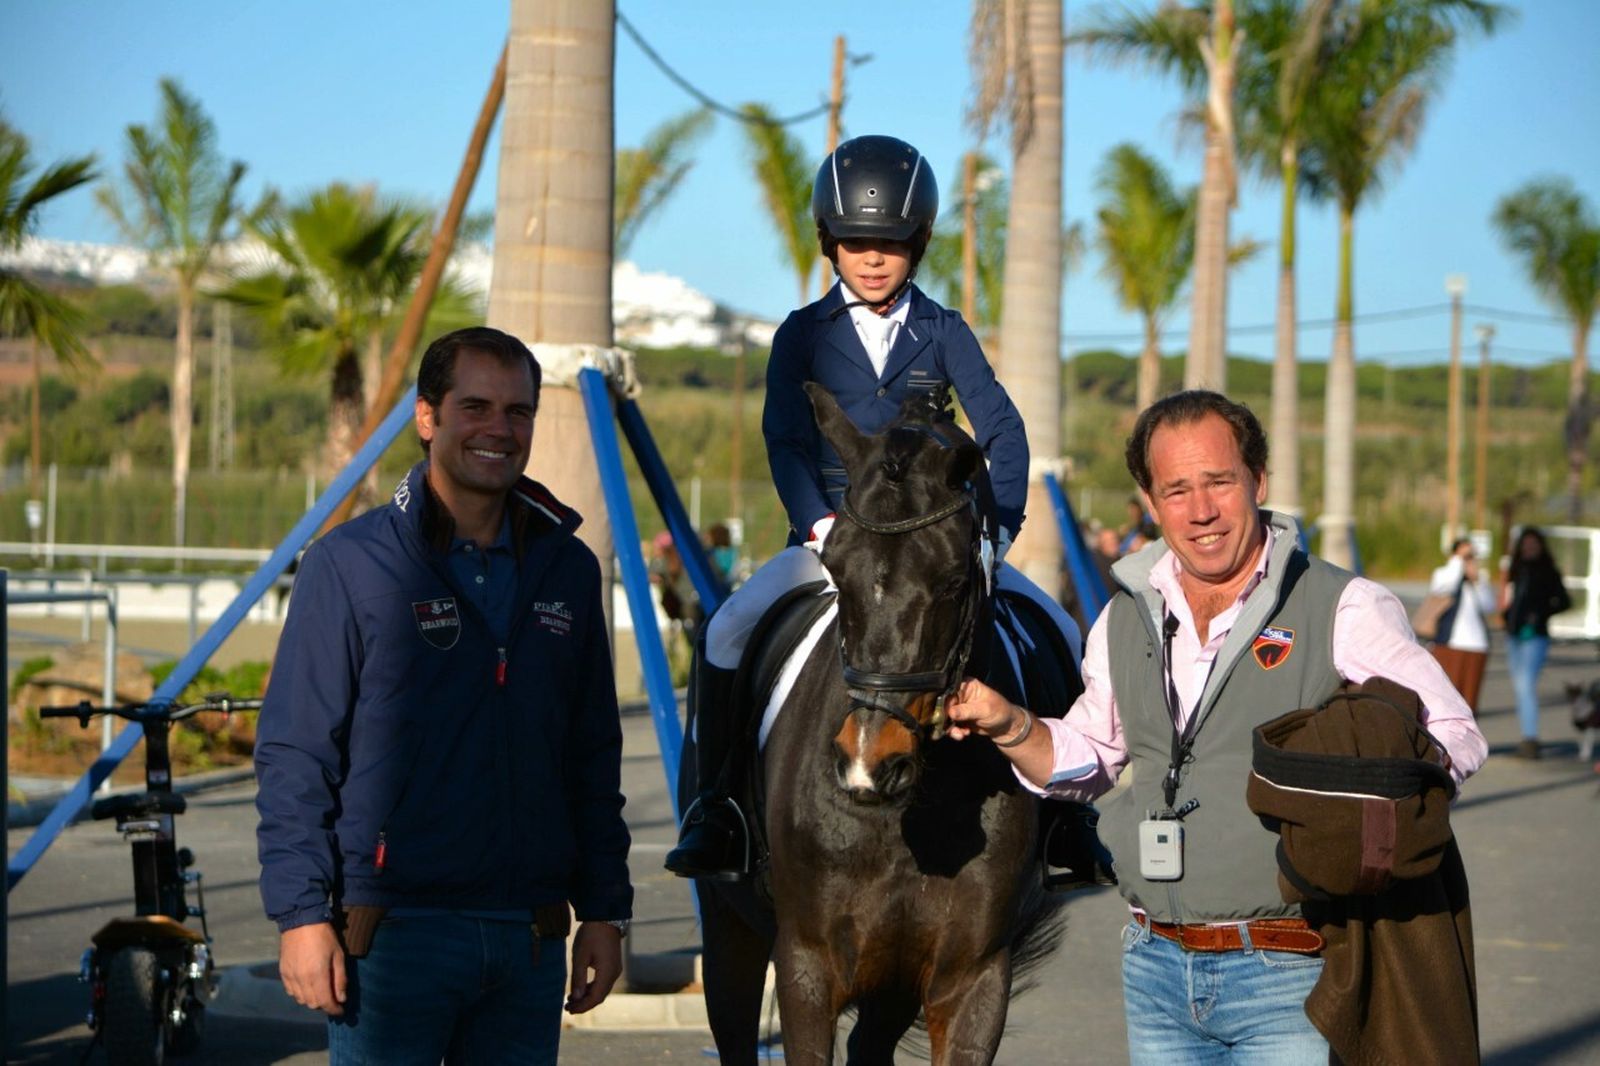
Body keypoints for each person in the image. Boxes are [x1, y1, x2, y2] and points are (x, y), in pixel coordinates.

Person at [943, 390, 1487, 1064]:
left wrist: (1361, 812)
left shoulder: (1343, 605)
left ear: (1258, 482)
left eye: (1219, 482)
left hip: (1291, 974)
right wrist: (1011, 723)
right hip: (1156, 967)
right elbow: (1092, 756)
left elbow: (1456, 735)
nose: (1200, 510)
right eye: (1176, 490)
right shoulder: (1123, 619)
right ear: (1148, 501)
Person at [665, 134, 1079, 880]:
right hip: (831, 542)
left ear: (918, 242)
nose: (874, 257)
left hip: (936, 547)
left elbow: (1004, 433)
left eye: (890, 242)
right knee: (725, 632)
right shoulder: (801, 335)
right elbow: (786, 441)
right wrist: (824, 529)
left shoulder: (943, 332)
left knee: (1059, 630)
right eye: (857, 241)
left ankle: (1067, 822)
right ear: (830, 240)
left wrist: (995, 535)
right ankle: (718, 808)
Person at [255, 327, 633, 1065]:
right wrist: (302, 915)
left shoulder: (568, 569)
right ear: (427, 417)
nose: (499, 429)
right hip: (394, 938)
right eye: (476, 407)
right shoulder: (350, 564)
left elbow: (592, 754)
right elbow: (297, 753)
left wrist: (604, 911)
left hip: (527, 937)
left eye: (518, 412)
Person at [1500, 526, 1571, 759]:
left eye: (1533, 544)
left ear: (1540, 546)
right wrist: (1506, 616)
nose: (1529, 548)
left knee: (1525, 684)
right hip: (1514, 634)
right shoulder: (1517, 569)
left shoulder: (1548, 571)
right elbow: (1510, 596)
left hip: (1536, 635)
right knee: (1520, 686)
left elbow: (1564, 601)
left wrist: (1541, 612)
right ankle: (1527, 735)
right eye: (1526, 544)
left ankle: (1530, 738)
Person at [1426, 537, 1495, 713]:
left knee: (1469, 704)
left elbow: (1489, 606)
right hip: (1449, 644)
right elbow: (1441, 588)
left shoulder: (1478, 580)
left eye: (1472, 555)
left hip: (1477, 646)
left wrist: (1477, 580)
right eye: (1465, 555)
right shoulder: (1443, 573)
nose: (1469, 559)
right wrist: (1458, 563)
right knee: (1445, 700)